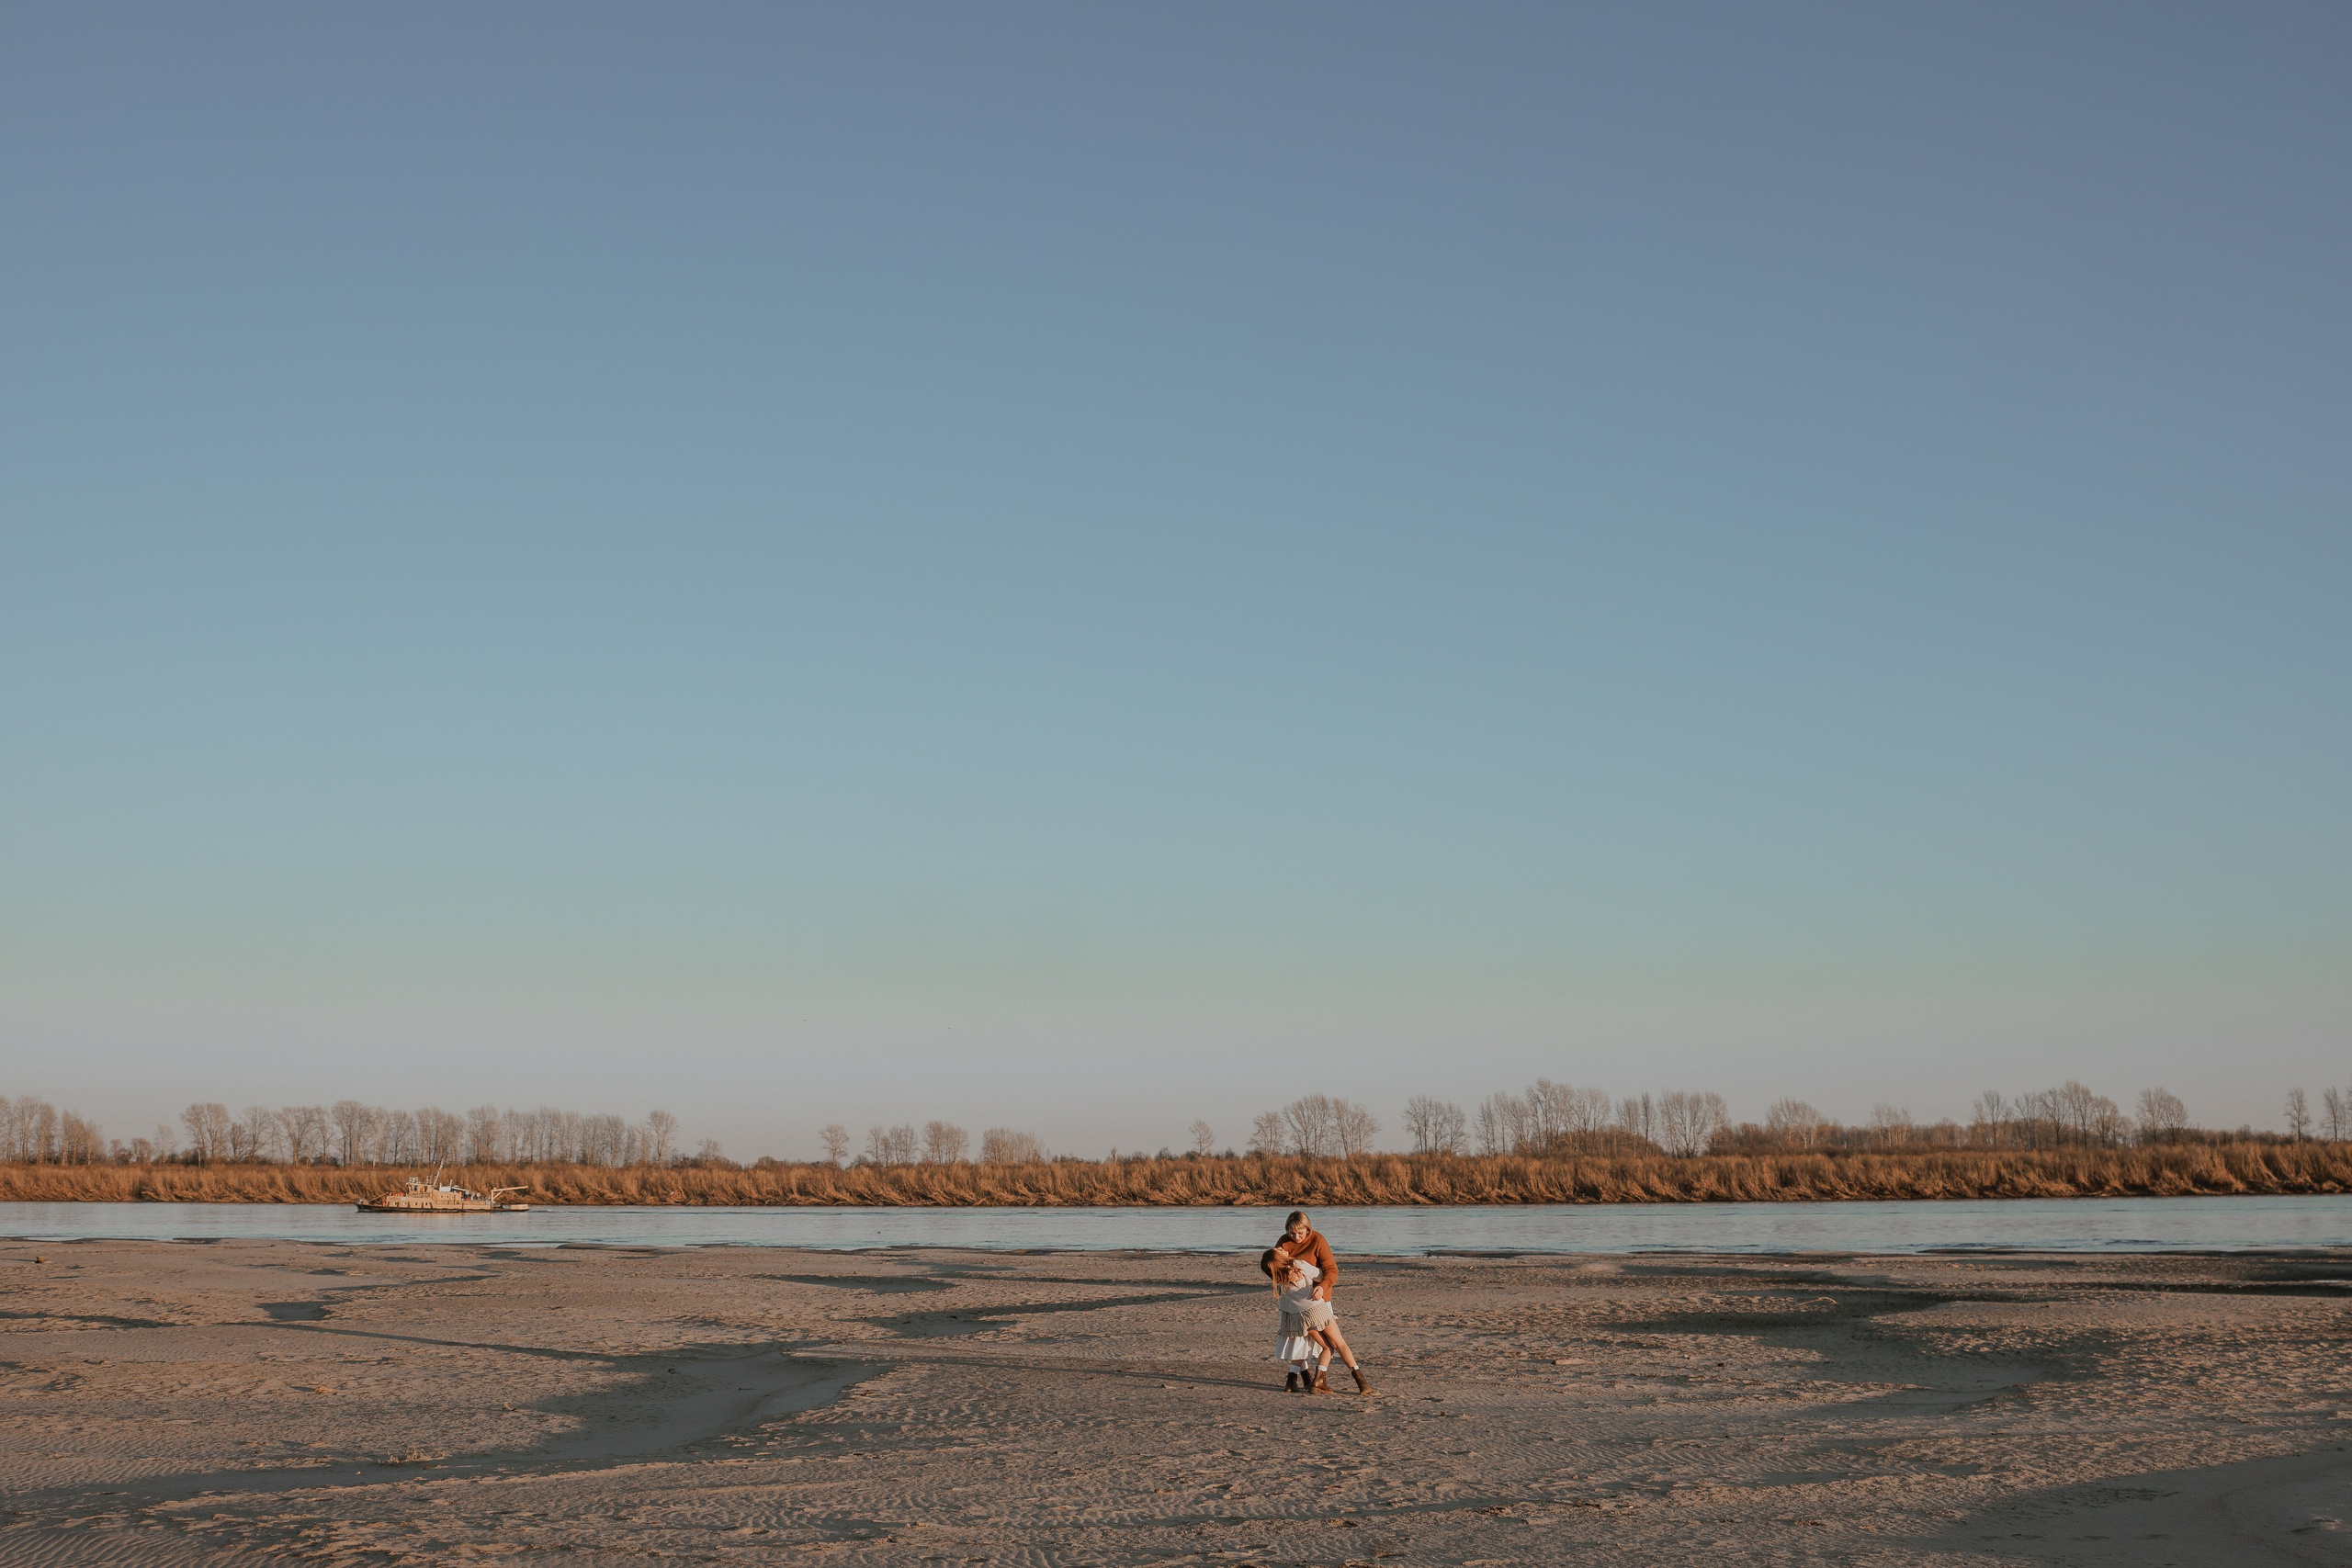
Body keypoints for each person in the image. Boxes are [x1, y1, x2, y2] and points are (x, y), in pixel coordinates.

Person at [1269, 1210, 1374, 1394]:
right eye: (1292, 1233)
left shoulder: (1318, 1240)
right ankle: (1309, 1380)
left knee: (1322, 1344)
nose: (1296, 1237)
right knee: (1305, 1343)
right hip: (1300, 1306)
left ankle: (1301, 1380)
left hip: (1317, 1299)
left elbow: (1331, 1270)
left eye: (1300, 1233)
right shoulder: (1283, 1243)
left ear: (1308, 1229)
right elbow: (1275, 1269)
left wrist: (1322, 1287)